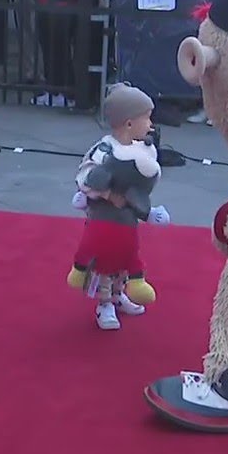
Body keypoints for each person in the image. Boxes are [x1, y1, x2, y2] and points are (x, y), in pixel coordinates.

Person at [67, 84, 164, 331]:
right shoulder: (105, 149)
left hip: (127, 220)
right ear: (129, 123)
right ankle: (104, 303)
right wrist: (108, 194)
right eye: (147, 118)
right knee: (103, 262)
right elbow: (85, 176)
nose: (151, 124)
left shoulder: (140, 149)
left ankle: (119, 295)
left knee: (123, 258)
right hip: (105, 219)